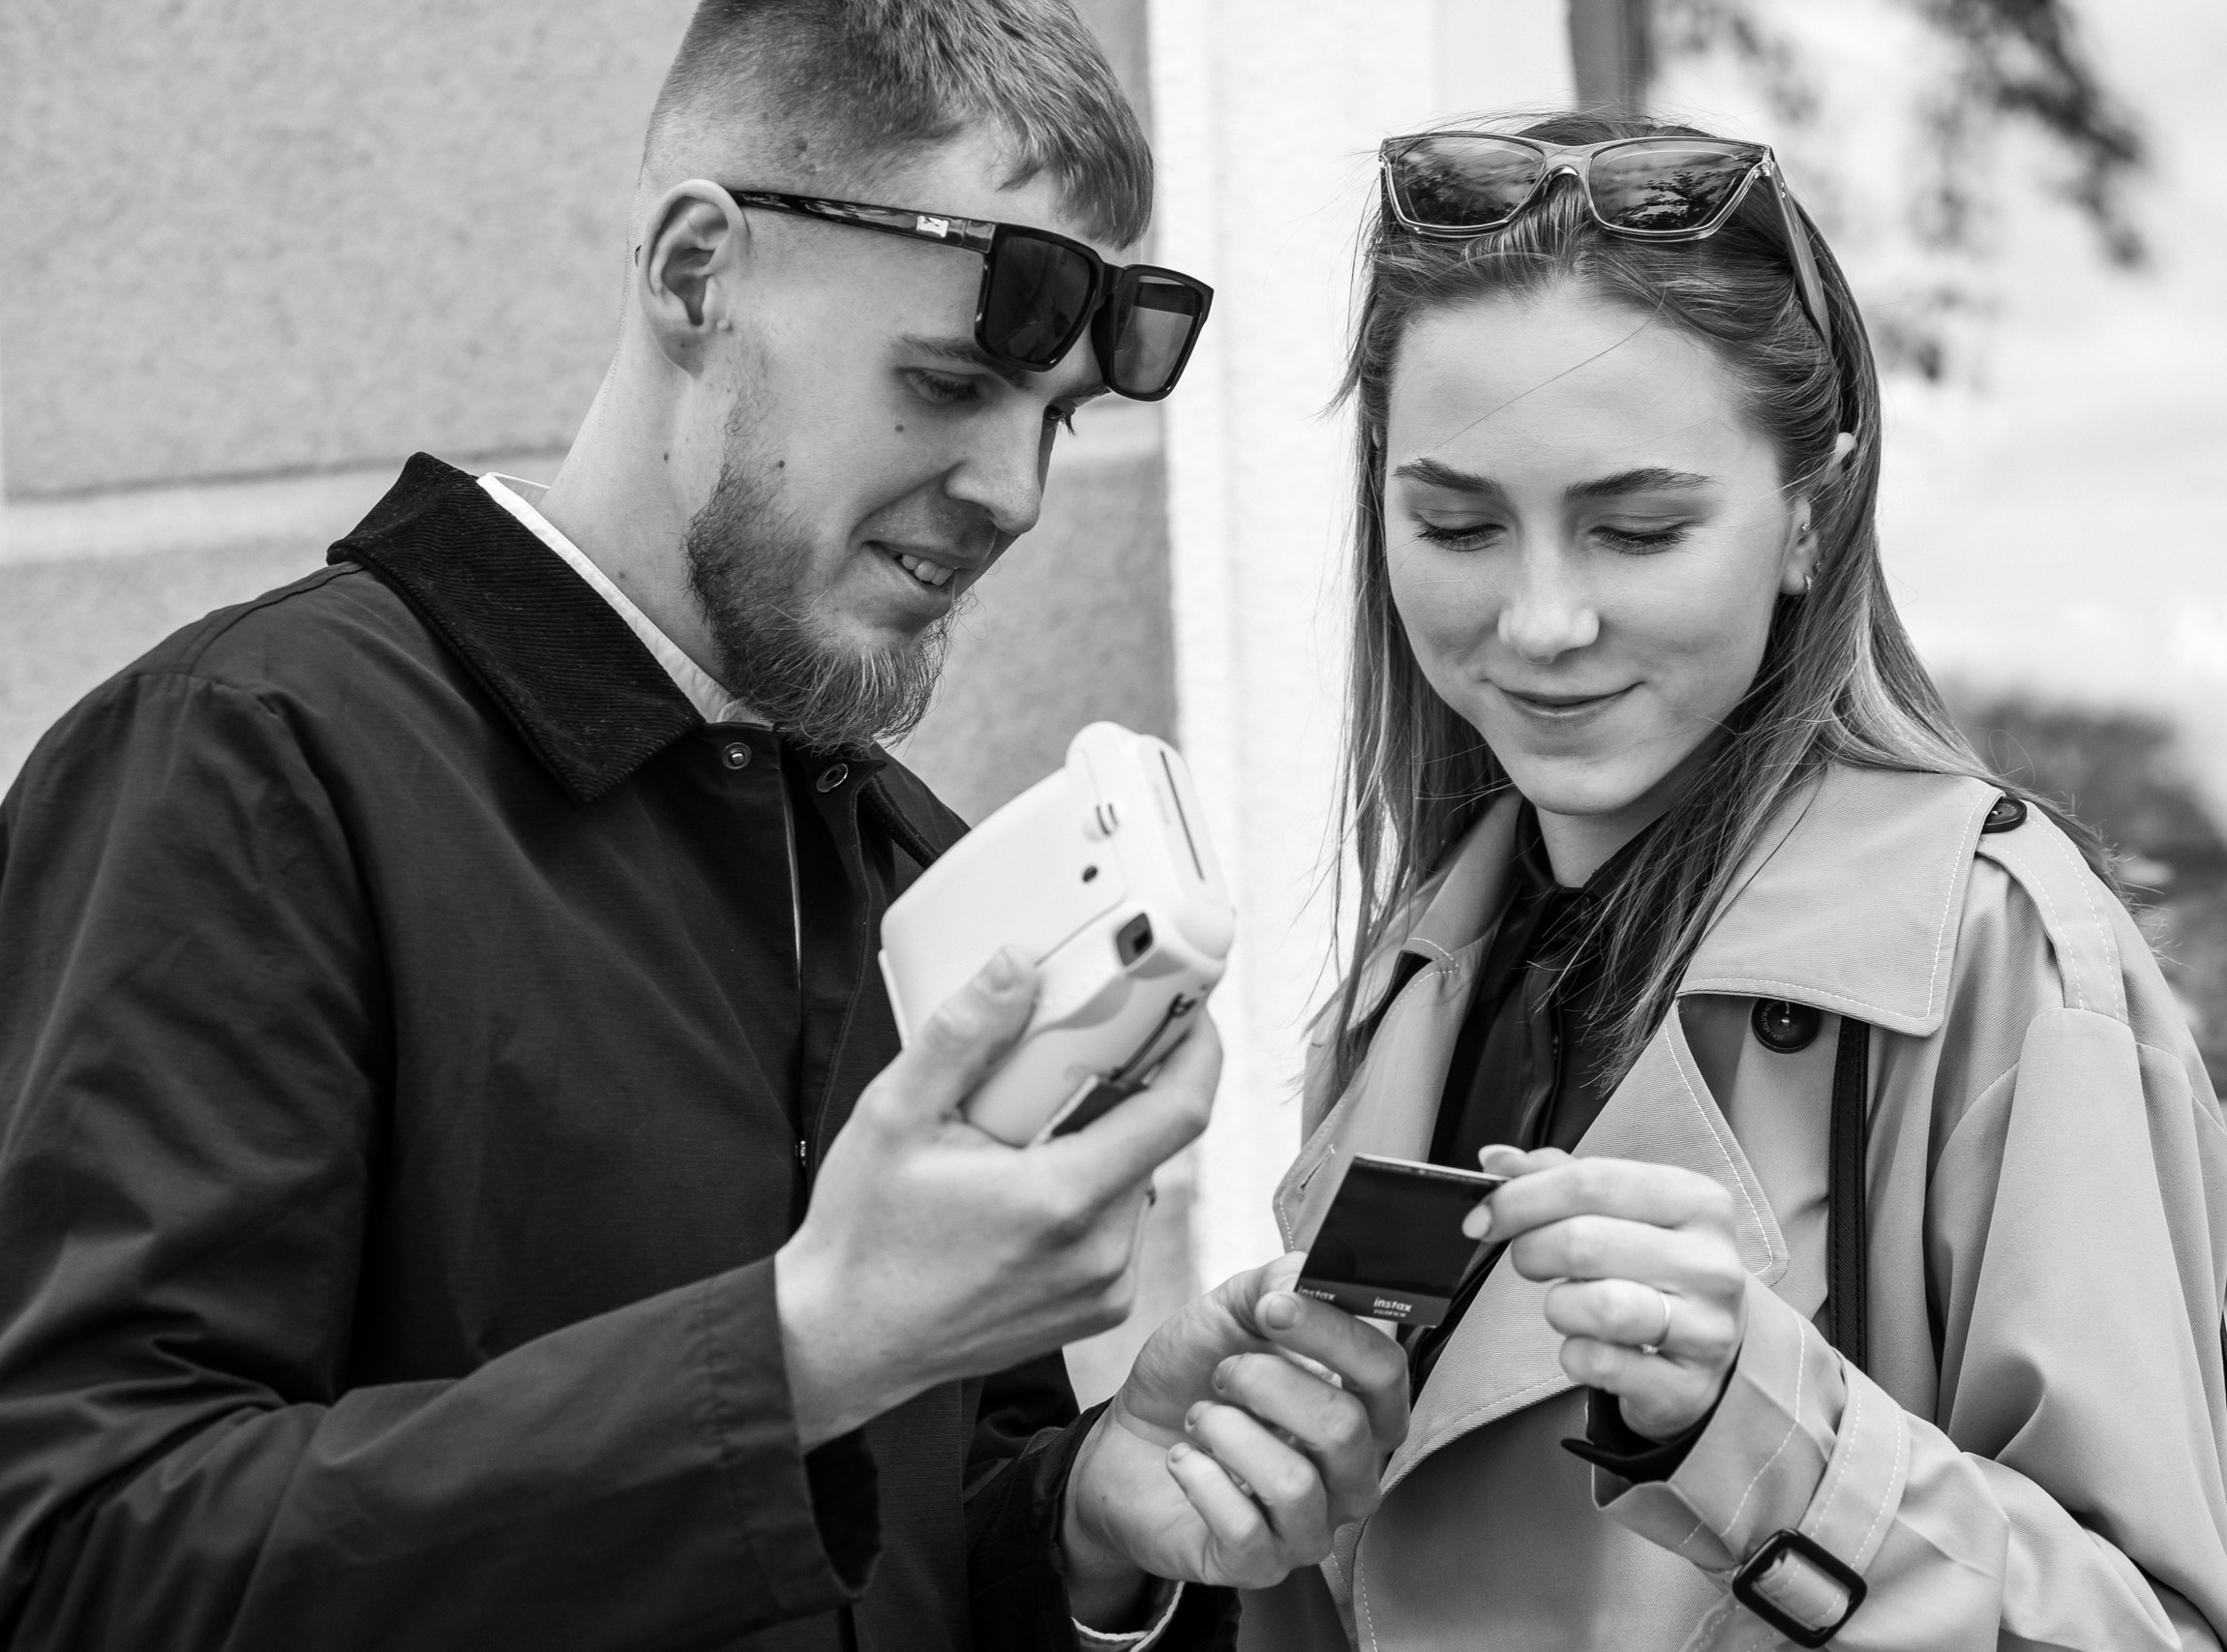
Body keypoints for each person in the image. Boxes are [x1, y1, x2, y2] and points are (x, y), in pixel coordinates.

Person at [0, 4, 1408, 1649]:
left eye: (1059, 417)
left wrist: (1090, 1524)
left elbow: (901, 1544)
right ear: (695, 275)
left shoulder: (909, 865)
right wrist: (800, 1348)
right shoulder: (255, 760)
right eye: (950, 381)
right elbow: (80, 1560)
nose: (1015, 489)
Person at [1238, 111, 2227, 1649]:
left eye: (1638, 529)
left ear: (1811, 513)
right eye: (1454, 523)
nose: (1539, 622)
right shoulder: (1410, 981)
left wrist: (1753, 1421)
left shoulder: (1998, 958)